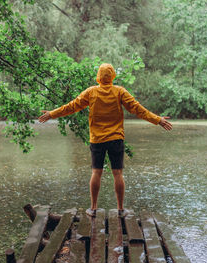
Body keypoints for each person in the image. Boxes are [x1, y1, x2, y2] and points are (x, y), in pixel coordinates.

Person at [39, 63, 172, 217]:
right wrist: (158, 120)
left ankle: (93, 209)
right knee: (117, 173)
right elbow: (137, 109)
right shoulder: (120, 91)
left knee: (96, 172)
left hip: (97, 140)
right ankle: (121, 209)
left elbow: (71, 107)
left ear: (99, 77)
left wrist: (51, 114)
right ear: (113, 75)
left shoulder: (91, 92)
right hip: (116, 138)